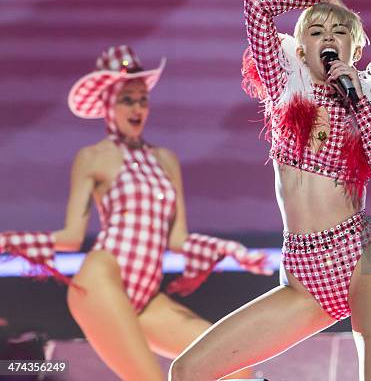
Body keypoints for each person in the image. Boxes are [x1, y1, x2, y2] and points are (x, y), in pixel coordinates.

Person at [169, 0, 371, 381]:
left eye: (339, 32)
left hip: (361, 260)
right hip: (303, 273)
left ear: (355, 50)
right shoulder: (284, 86)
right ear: (300, 49)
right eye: (315, 32)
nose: (328, 38)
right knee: (187, 371)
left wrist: (359, 104)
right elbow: (257, 5)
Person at [0, 45, 270, 381]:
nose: (138, 108)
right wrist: (7, 241)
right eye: (127, 99)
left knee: (235, 369)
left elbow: (178, 239)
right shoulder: (93, 157)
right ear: (106, 104)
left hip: (145, 296)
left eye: (142, 99)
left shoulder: (165, 160)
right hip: (101, 280)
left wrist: (233, 250)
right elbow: (70, 238)